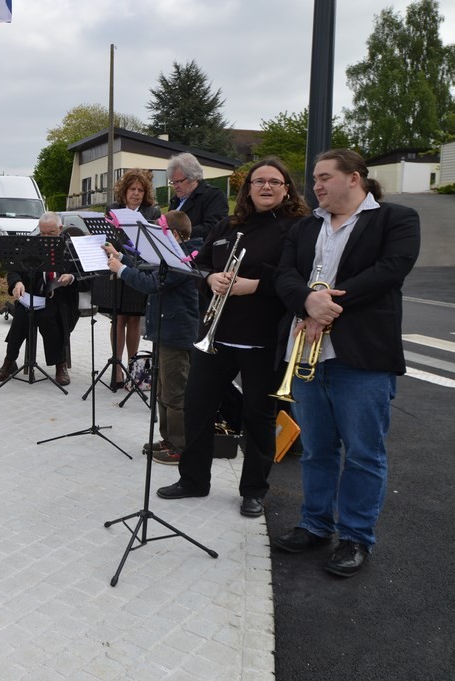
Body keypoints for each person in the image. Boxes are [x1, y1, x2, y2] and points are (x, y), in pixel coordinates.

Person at [272, 149, 420, 577]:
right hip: (306, 355)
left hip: (361, 356)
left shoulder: (396, 218)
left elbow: (391, 270)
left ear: (354, 178)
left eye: (323, 177)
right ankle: (315, 525)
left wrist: (325, 306)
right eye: (314, 178)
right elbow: (284, 275)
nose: (314, 185)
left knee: (362, 454)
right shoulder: (305, 226)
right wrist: (305, 300)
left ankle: (356, 537)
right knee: (317, 449)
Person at [157, 158, 311, 518]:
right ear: (248, 188)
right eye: (259, 181)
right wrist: (210, 280)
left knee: (258, 417)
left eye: (275, 181)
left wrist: (255, 285)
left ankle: (254, 490)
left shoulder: (298, 228)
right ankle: (194, 480)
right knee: (198, 408)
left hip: (263, 339)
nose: (267, 187)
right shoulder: (229, 224)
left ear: (286, 188)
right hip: (219, 335)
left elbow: (297, 276)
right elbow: (200, 265)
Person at [104, 210, 198, 459]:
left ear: (174, 235)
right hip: (164, 330)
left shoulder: (184, 259)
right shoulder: (172, 256)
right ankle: (168, 440)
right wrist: (121, 256)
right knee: (161, 391)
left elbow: (151, 283)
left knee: (174, 392)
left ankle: (179, 447)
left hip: (176, 333)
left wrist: (121, 270)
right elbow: (149, 270)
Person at [0, 212, 79, 387]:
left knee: (49, 317)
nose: (45, 238)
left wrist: (71, 277)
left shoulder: (71, 247)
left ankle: (60, 364)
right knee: (22, 317)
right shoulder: (31, 245)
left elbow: (85, 274)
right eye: (43, 233)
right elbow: (14, 269)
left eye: (51, 233)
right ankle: (9, 361)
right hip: (33, 297)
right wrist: (17, 283)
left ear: (60, 229)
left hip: (60, 299)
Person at [104, 169, 162, 389]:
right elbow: (108, 238)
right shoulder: (113, 209)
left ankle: (134, 368)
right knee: (118, 319)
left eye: (140, 190)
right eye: (132, 189)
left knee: (134, 320)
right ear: (124, 191)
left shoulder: (152, 212)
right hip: (115, 266)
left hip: (140, 269)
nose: (136, 193)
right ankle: (116, 368)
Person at [167, 152, 228, 241]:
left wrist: (181, 234)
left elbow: (213, 228)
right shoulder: (176, 199)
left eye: (179, 181)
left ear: (193, 178)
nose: (175, 186)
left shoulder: (213, 196)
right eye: (173, 182)